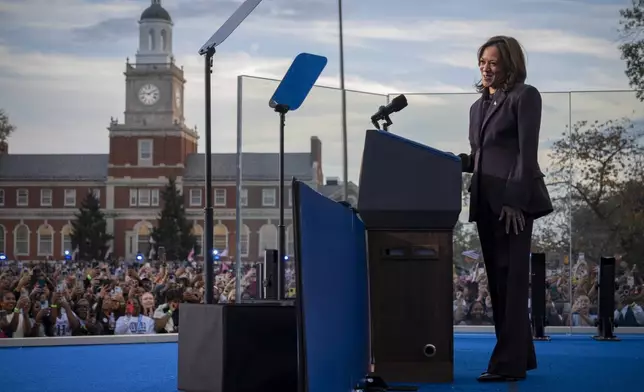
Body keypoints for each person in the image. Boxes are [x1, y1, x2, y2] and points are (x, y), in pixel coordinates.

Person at [460, 35, 553, 382]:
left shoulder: (525, 96)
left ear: (509, 65)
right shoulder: (477, 107)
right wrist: (452, 162)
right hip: (484, 203)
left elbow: (525, 154)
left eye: (493, 62)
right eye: (482, 61)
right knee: (499, 286)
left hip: (513, 206)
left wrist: (515, 200)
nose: (486, 67)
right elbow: (481, 155)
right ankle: (521, 355)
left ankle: (508, 364)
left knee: (512, 285)